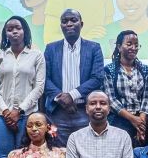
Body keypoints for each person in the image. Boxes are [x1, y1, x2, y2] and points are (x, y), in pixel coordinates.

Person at [0, 18, 47, 158]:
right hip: (1, 116)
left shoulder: (37, 55)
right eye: (10, 29)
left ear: (25, 31)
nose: (14, 32)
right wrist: (6, 111)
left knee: (26, 157)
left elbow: (39, 87)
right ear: (5, 34)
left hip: (27, 116)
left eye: (18, 28)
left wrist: (19, 111)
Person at [45, 9, 106, 145]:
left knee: (85, 152)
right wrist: (62, 99)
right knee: (58, 155)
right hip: (58, 112)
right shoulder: (51, 48)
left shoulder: (94, 48)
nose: (69, 24)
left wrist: (71, 96)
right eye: (64, 21)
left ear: (81, 24)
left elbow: (97, 78)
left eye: (73, 20)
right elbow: (45, 79)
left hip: (84, 111)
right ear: (61, 26)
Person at [104, 30, 148, 145]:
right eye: (129, 44)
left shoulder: (145, 69)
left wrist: (140, 123)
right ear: (119, 47)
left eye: (136, 45)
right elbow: (111, 100)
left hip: (142, 118)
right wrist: (132, 119)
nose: (133, 47)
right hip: (118, 119)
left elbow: (147, 98)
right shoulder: (109, 70)